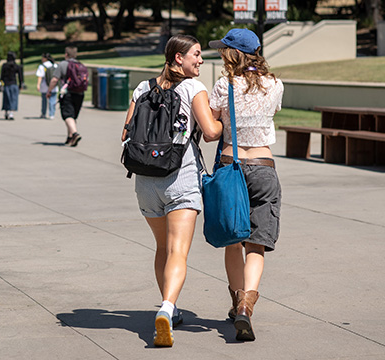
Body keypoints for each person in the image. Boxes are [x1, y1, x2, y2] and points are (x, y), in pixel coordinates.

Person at [120, 34, 222, 347]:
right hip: (181, 175)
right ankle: (166, 307)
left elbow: (126, 133)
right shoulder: (194, 88)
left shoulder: (142, 88)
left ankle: (170, 306)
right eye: (196, 54)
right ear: (178, 58)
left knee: (162, 247)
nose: (201, 60)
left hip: (146, 180)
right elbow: (210, 132)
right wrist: (222, 117)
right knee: (178, 250)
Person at [208, 28, 284, 342]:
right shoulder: (275, 84)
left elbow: (212, 128)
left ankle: (236, 300)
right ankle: (246, 307)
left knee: (231, 239)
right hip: (265, 167)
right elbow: (269, 115)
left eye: (223, 50)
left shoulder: (223, 85)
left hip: (231, 165)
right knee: (256, 243)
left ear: (233, 54)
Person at [46, 46, 84, 146]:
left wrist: (49, 91)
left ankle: (75, 134)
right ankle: (70, 138)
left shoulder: (63, 64)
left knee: (67, 115)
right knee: (72, 116)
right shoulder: (79, 64)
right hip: (80, 93)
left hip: (67, 93)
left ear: (66, 54)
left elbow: (54, 80)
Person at [0, 51, 23, 120]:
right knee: (13, 99)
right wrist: (21, 84)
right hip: (14, 84)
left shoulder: (4, 65)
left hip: (6, 84)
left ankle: (6, 112)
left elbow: (2, 76)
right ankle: (11, 114)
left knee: (6, 99)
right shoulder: (16, 66)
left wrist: (0, 83)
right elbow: (20, 77)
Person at [36, 53, 58, 119]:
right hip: (53, 86)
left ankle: (43, 113)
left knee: (44, 100)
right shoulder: (55, 65)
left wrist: (38, 85)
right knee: (53, 100)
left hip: (44, 86)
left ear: (45, 58)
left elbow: (40, 77)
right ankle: (52, 114)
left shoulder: (42, 66)